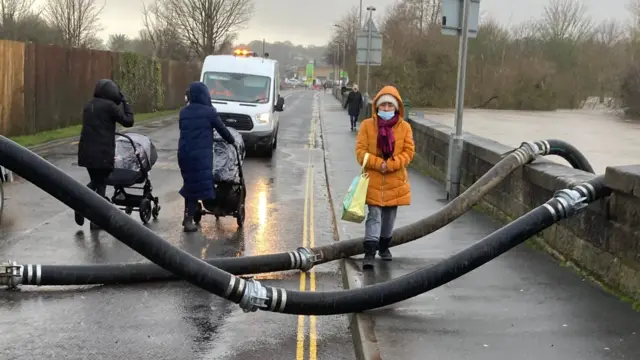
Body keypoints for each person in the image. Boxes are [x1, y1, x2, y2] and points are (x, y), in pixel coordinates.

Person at [355, 85, 415, 269]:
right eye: (383, 106)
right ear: (377, 107)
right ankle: (370, 252)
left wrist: (390, 165)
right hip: (373, 180)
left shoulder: (405, 128)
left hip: (395, 181)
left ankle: (384, 247)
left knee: (389, 217)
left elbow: (408, 152)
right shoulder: (366, 126)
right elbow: (360, 152)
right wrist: (377, 163)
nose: (387, 109)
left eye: (390, 105)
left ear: (396, 107)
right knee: (374, 215)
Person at [75, 79, 134, 230]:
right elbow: (128, 121)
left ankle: (95, 219)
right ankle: (80, 204)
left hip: (86, 152)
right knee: (99, 183)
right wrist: (125, 102)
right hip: (102, 153)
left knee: (98, 183)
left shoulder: (89, 105)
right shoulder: (110, 107)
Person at [179, 81, 236, 232]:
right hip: (200, 156)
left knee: (190, 184)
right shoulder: (209, 112)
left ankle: (189, 214)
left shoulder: (183, 112)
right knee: (197, 186)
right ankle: (189, 218)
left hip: (184, 154)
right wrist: (232, 141)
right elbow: (222, 129)